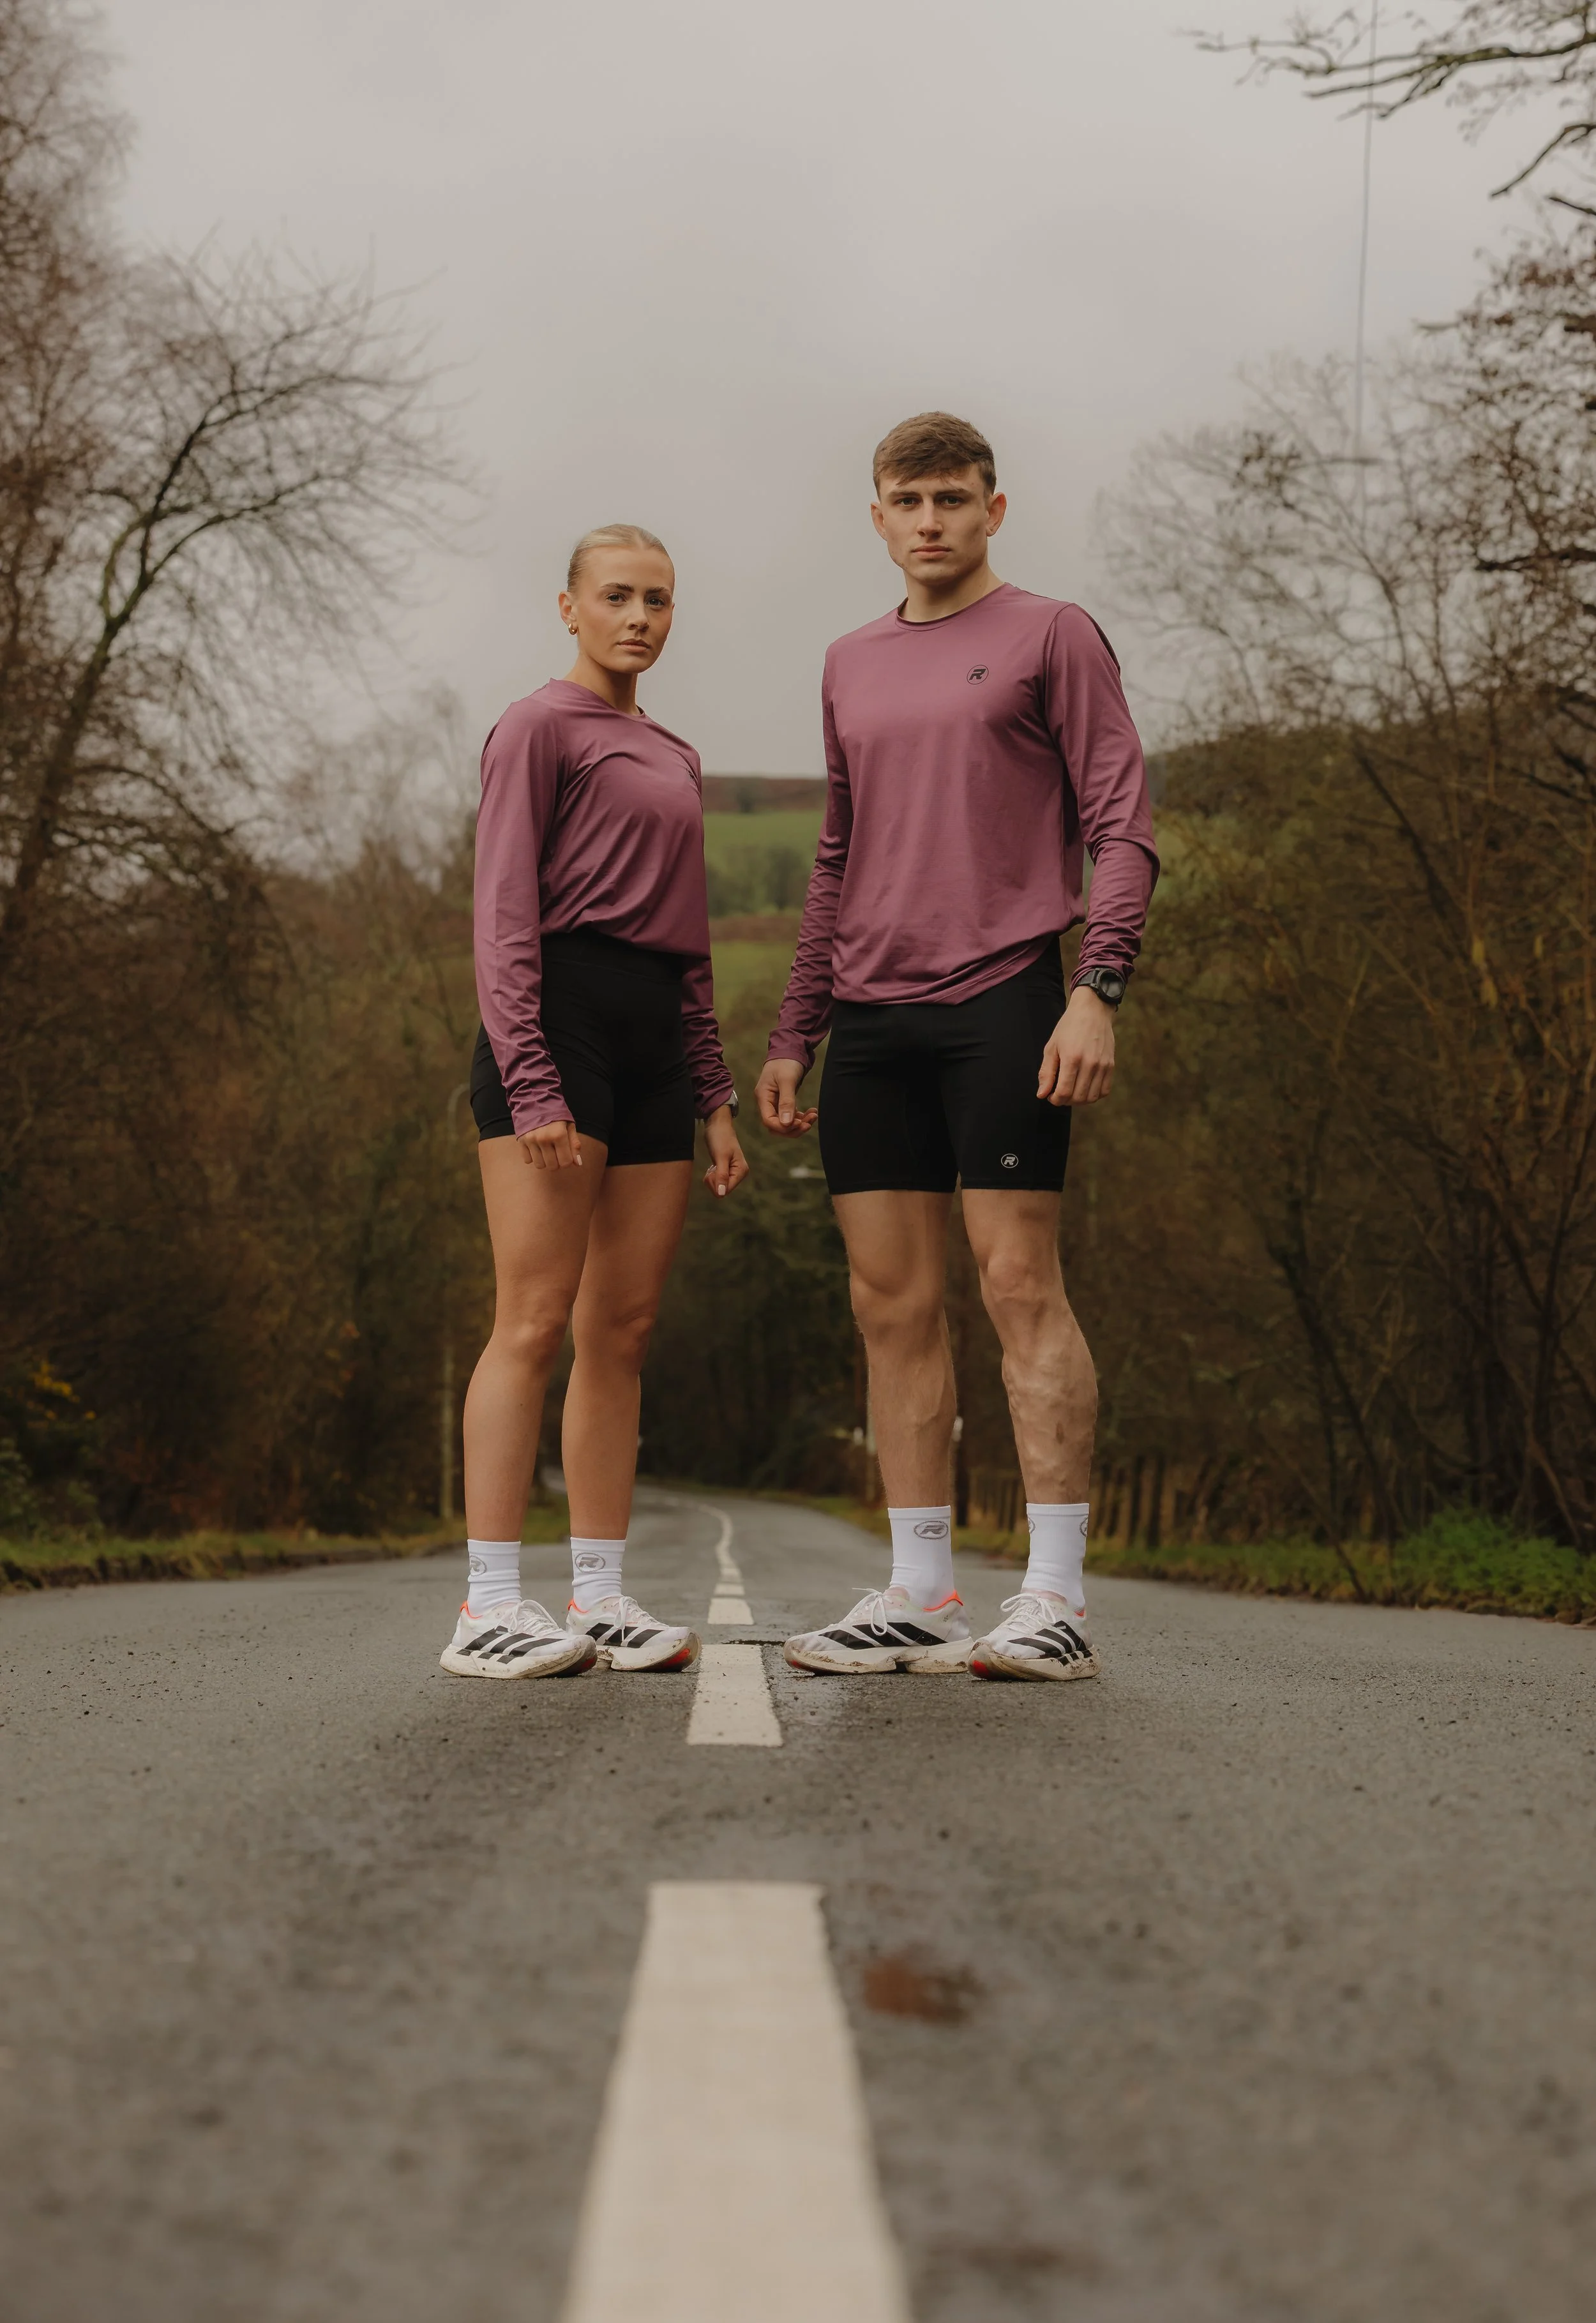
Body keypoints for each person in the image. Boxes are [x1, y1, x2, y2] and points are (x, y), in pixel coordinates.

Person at [757, 414, 1157, 1682]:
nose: (927, 519)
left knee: (1016, 1284)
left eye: (949, 497)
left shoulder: (1052, 635)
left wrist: (1094, 987)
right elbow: (836, 855)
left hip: (1004, 998)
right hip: (870, 1020)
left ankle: (1052, 1597)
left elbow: (1123, 825)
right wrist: (795, 1028)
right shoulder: (846, 662)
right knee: (889, 1305)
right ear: (875, 518)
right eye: (904, 499)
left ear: (993, 508)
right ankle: (921, 1590)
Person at [440, 523, 748, 1681]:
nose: (640, 617)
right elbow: (503, 911)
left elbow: (692, 943)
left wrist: (713, 1093)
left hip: (654, 1035)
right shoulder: (535, 726)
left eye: (659, 599)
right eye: (616, 596)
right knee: (531, 1316)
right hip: (555, 1018)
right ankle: (485, 1605)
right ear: (567, 607)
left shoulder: (673, 751)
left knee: (619, 1330)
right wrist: (530, 1077)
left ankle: (603, 1597)